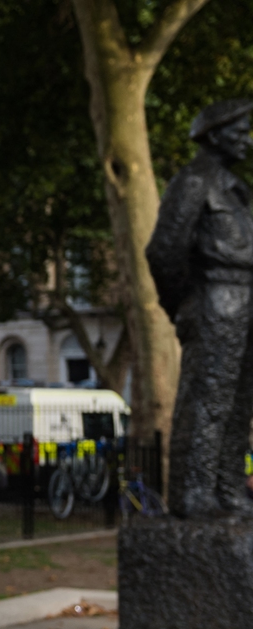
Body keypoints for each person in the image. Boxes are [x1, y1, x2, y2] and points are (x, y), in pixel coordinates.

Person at [146, 98, 253, 517]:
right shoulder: (193, 182)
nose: (247, 137)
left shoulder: (238, 189)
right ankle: (194, 494)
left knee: (239, 404)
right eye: (240, 129)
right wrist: (185, 305)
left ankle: (228, 490)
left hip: (246, 301)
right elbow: (164, 251)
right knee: (207, 402)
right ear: (213, 135)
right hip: (215, 299)